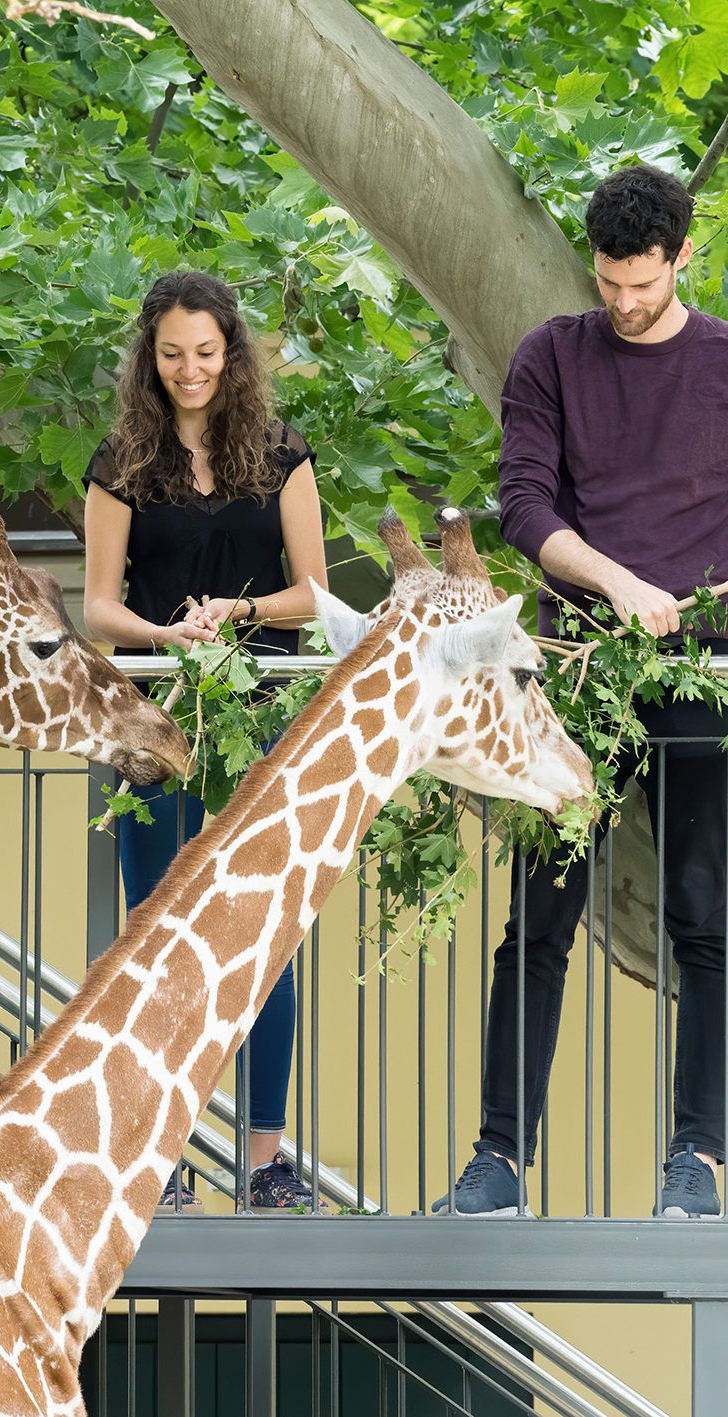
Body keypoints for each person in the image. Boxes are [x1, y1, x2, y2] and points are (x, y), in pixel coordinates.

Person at [434, 164, 728, 1219]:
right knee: (538, 920)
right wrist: (615, 580)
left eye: (641, 284)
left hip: (699, 677)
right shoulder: (551, 356)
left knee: (704, 916)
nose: (623, 302)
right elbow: (523, 505)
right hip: (580, 669)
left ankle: (695, 1163)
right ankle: (497, 1162)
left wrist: (685, 606)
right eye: (607, 283)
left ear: (681, 256)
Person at [83, 270, 329, 1213]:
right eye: (172, 353)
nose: (190, 370)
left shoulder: (280, 452)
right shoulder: (120, 461)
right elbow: (100, 603)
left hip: (258, 717)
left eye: (206, 352)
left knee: (262, 937)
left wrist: (241, 611)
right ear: (151, 356)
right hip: (151, 722)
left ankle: (264, 1159)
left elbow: (313, 592)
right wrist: (165, 635)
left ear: (232, 353)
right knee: (156, 941)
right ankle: (163, 1157)